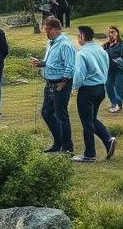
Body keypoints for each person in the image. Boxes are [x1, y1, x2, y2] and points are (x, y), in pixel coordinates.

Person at [29, 16, 75, 153]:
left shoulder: (65, 44)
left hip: (61, 83)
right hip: (50, 82)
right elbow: (51, 62)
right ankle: (58, 143)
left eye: (47, 29)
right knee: (47, 112)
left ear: (55, 29)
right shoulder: (51, 42)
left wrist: (63, 83)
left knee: (61, 114)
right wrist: (40, 63)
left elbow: (71, 67)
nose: (46, 32)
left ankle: (67, 147)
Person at [71, 25, 117, 162]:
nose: (77, 38)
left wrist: (74, 88)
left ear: (83, 37)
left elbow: (79, 75)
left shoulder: (82, 53)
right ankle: (108, 140)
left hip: (87, 90)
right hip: (100, 89)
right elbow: (106, 67)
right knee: (91, 119)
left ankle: (89, 154)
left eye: (78, 36)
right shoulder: (101, 50)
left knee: (86, 122)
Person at [103, 25, 123, 113]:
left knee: (117, 86)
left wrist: (120, 61)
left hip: (119, 68)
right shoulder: (105, 45)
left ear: (117, 33)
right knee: (108, 86)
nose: (111, 34)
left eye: (113, 32)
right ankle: (113, 103)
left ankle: (118, 105)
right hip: (109, 69)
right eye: (110, 32)